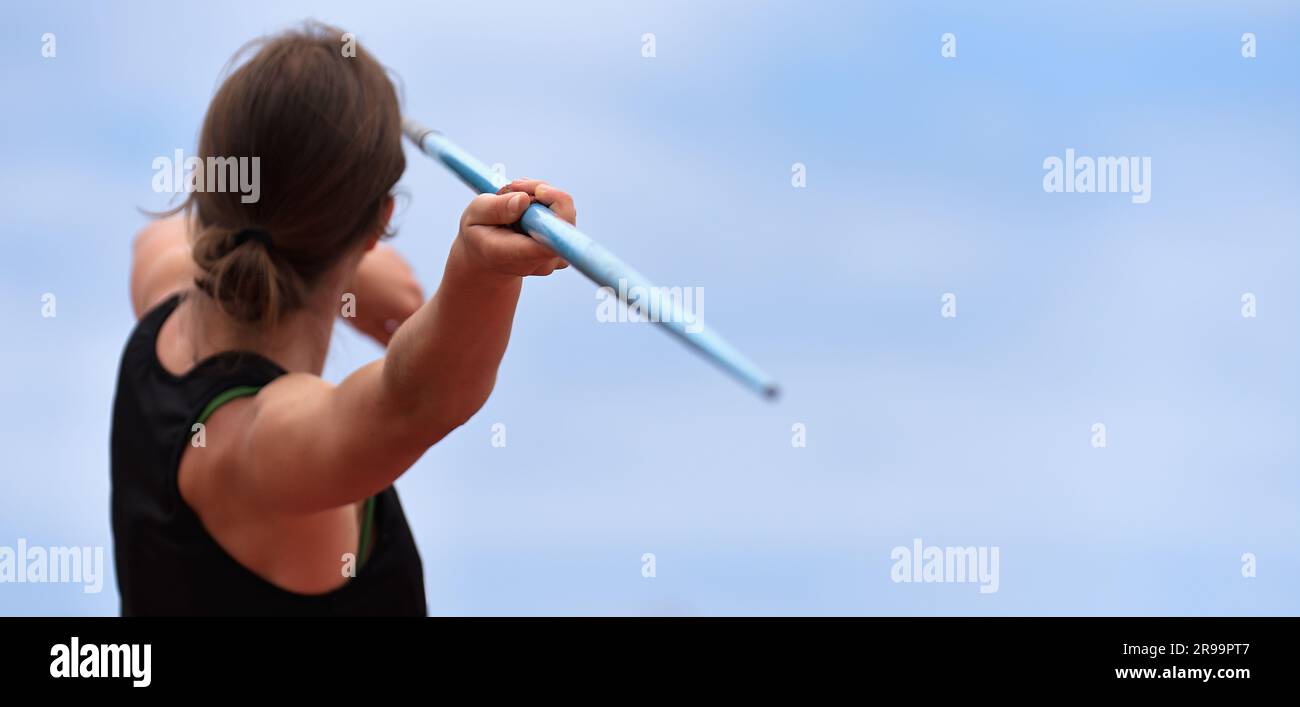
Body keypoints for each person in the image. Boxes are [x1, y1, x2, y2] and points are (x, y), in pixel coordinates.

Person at [110, 23, 576, 615]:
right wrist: (482, 270)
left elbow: (168, 233)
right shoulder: (261, 445)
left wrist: (345, 262)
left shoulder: (163, 295)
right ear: (381, 220)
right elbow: (414, 399)